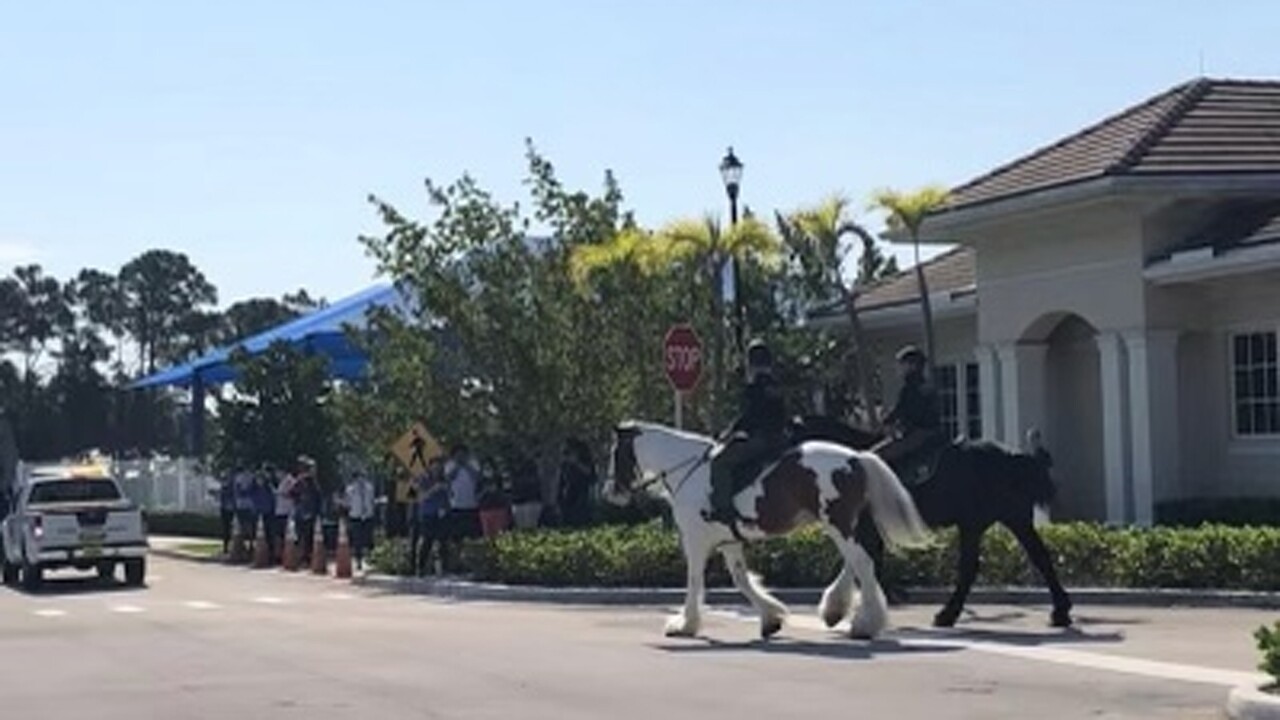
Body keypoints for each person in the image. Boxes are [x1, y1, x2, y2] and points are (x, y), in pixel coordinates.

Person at [707, 338, 790, 526]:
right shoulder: (776, 385)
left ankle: (724, 509)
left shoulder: (753, 387)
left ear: (751, 363)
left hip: (762, 440)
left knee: (719, 462)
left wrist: (728, 433)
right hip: (782, 439)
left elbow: (749, 417)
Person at [873, 345, 944, 474]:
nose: (898, 368)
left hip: (919, 434)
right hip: (933, 432)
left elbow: (904, 410)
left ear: (912, 366)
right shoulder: (926, 386)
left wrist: (886, 421)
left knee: (876, 456)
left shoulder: (911, 388)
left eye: (901, 364)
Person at [445, 444, 482, 543]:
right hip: (456, 504)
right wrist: (458, 465)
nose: (460, 456)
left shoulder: (473, 463)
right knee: (457, 534)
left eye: (463, 454)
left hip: (472, 504)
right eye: (458, 454)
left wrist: (466, 465)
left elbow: (477, 477)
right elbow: (449, 478)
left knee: (473, 533)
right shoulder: (450, 465)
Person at [344, 469, 377, 570]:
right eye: (359, 477)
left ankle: (372, 560)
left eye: (362, 476)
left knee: (368, 538)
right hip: (355, 516)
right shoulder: (350, 490)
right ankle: (359, 561)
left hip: (367, 516)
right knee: (357, 540)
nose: (361, 479)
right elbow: (347, 503)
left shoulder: (369, 488)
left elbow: (372, 501)